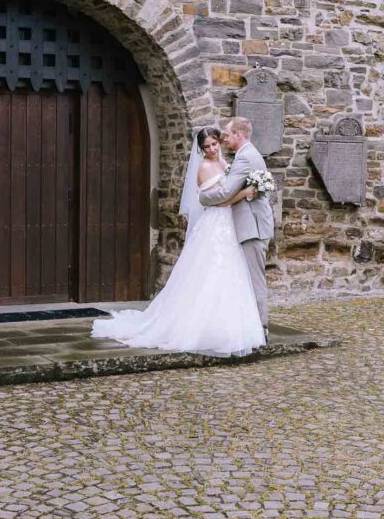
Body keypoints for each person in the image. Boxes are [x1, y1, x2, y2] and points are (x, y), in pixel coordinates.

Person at [91, 127, 265, 357]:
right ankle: (198, 327)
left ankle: (226, 326)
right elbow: (218, 202)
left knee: (232, 274)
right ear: (201, 150)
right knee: (210, 272)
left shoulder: (225, 163)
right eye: (207, 147)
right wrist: (244, 194)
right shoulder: (203, 168)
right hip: (215, 223)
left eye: (215, 144)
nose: (212, 149)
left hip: (230, 225)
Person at [198, 117, 274, 338]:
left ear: (239, 135)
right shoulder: (250, 153)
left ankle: (261, 328)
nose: (224, 139)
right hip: (252, 224)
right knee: (248, 278)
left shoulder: (244, 159)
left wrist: (202, 198)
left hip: (252, 227)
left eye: (228, 135)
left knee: (254, 279)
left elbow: (224, 192)